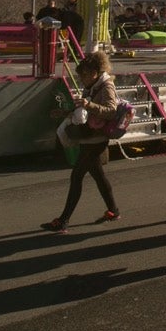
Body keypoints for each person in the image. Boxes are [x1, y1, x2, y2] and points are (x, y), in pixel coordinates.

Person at [41, 51, 122, 232]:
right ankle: (113, 211)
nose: (81, 79)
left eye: (84, 75)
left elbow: (110, 111)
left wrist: (88, 105)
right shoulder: (93, 86)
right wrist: (64, 113)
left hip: (96, 139)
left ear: (95, 72)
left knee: (76, 176)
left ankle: (63, 221)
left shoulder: (106, 86)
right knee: (99, 176)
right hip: (91, 137)